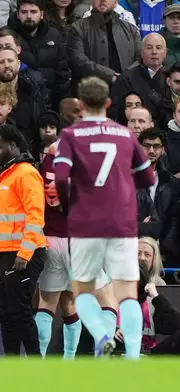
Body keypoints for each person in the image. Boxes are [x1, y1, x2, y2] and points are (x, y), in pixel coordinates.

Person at [53, 76, 156, 359]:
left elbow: (61, 178)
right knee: (127, 295)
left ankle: (102, 336)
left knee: (84, 293)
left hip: (86, 223)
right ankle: (133, 356)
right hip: (121, 223)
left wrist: (68, 203)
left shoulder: (71, 136)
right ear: (109, 104)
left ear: (81, 105)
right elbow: (147, 177)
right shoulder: (125, 134)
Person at [36, 131, 118, 359]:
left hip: (50, 241)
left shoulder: (44, 169)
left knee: (51, 303)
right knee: (108, 301)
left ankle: (43, 360)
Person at [0, 124, 47, 356]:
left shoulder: (26, 173)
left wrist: (25, 252)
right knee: (5, 314)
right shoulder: (4, 177)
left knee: (20, 314)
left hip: (23, 254)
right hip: (5, 254)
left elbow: (35, 216)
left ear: (12, 146)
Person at [68, 0, 141, 90]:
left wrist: (125, 76)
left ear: (116, 2)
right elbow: (77, 61)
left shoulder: (131, 29)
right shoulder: (77, 28)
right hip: (90, 95)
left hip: (126, 92)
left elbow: (141, 59)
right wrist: (110, 76)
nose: (103, 0)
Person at [109, 32, 167, 119]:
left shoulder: (173, 76)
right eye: (149, 48)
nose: (154, 52)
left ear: (165, 52)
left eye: (158, 48)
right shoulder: (126, 78)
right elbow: (116, 111)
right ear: (141, 52)